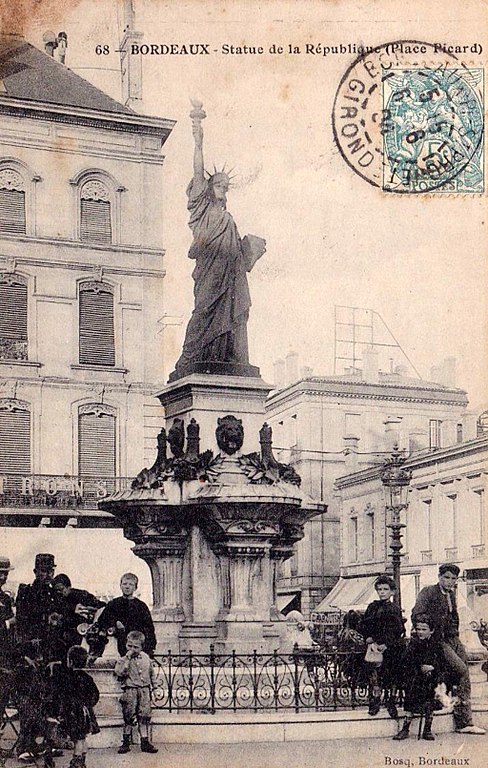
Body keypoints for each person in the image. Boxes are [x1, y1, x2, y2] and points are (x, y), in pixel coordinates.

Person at [174, 102, 266, 375]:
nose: (223, 190)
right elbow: (198, 170)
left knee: (232, 316)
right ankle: (190, 356)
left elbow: (238, 253)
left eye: (226, 187)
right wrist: (198, 142)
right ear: (208, 188)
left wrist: (251, 248)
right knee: (203, 311)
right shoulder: (201, 210)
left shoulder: (229, 218)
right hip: (210, 275)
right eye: (218, 185)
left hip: (231, 277)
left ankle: (228, 357)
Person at [412, 563, 486, 735]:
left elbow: (453, 616)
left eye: (453, 578)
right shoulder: (428, 592)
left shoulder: (451, 594)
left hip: (453, 638)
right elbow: (417, 615)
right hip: (439, 639)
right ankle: (445, 703)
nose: (449, 581)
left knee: (465, 675)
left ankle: (464, 722)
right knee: (459, 669)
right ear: (439, 577)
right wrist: (431, 631)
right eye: (446, 577)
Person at [360, 574, 405, 717]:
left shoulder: (394, 608)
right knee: (374, 675)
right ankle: (375, 700)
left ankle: (391, 701)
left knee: (391, 675)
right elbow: (364, 625)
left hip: (389, 648)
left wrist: (387, 644)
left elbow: (399, 630)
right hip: (374, 645)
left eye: (385, 589)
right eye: (379, 589)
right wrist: (368, 637)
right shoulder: (372, 607)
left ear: (392, 592)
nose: (382, 592)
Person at [394, 614, 444, 741]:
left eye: (424, 629)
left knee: (429, 703)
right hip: (415, 679)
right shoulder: (413, 644)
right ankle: (405, 728)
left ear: (431, 630)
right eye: (418, 629)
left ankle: (427, 729)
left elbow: (443, 663)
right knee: (410, 702)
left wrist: (433, 668)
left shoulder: (436, 645)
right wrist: (419, 667)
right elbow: (405, 662)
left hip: (431, 680)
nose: (420, 632)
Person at [49, 645, 100, 768]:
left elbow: (62, 695)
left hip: (73, 712)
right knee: (82, 738)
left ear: (70, 662)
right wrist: (87, 705)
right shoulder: (88, 678)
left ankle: (76, 762)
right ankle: (82, 760)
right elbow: (95, 694)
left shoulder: (67, 678)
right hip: (85, 712)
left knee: (77, 739)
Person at [114, 630, 158, 754]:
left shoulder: (146, 658)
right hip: (130, 690)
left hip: (144, 690)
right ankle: (126, 742)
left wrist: (155, 688)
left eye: (136, 647)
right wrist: (127, 661)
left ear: (142, 647)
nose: (132, 649)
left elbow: (151, 674)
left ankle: (145, 742)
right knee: (128, 716)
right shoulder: (123, 659)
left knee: (144, 716)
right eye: (129, 646)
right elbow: (120, 673)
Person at [96, 573, 156, 657]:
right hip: (117, 644)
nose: (127, 587)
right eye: (124, 584)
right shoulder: (113, 604)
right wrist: (115, 624)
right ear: (120, 586)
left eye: (131, 584)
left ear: (135, 587)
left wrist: (150, 648)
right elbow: (102, 621)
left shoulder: (141, 606)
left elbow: (149, 628)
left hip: (136, 645)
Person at [16, 553, 62, 644]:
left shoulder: (54, 593)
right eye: (44, 571)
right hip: (32, 642)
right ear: (35, 572)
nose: (49, 575)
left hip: (52, 644)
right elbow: (21, 620)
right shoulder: (26, 592)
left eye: (51, 571)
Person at [52, 574, 105, 648]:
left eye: (61, 589)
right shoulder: (56, 600)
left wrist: (90, 610)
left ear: (69, 587)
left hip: (85, 632)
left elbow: (101, 606)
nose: (59, 593)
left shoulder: (82, 595)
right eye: (56, 591)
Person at [0, 555, 15, 722]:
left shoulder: (5, 598)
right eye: (0, 573)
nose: (3, 577)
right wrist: (8, 623)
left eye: (5, 573)